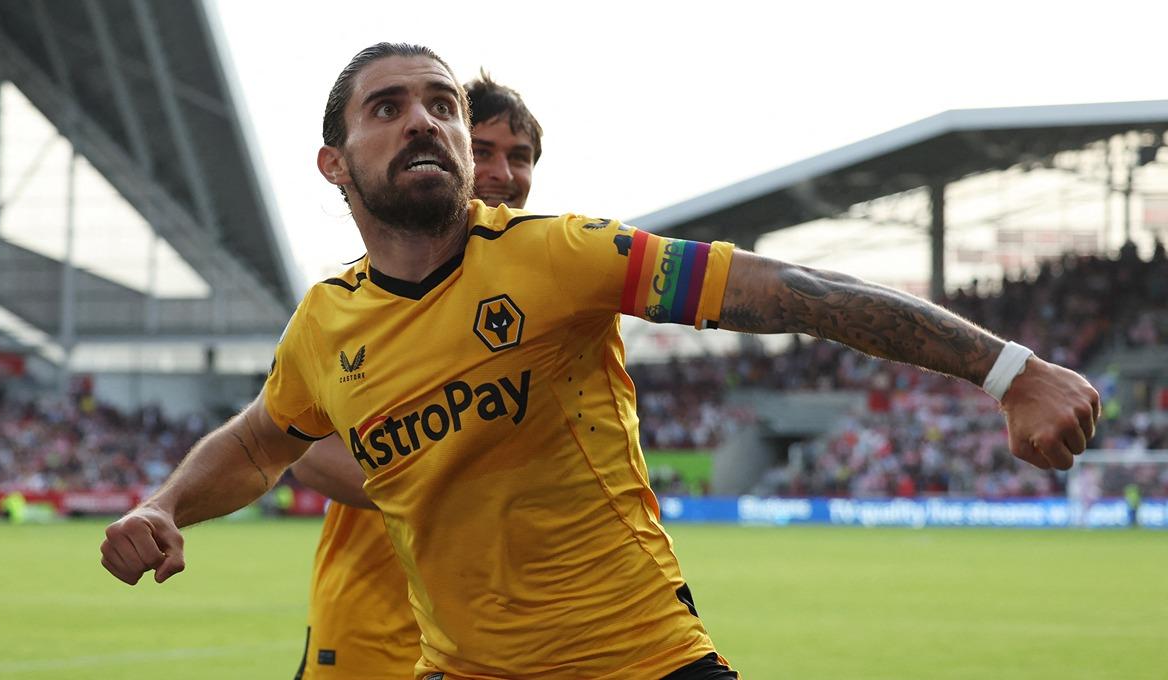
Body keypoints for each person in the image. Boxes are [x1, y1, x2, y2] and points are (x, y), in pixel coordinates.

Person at [100, 42, 1100, 679]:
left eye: (441, 104)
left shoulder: (558, 255)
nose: (424, 120)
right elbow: (260, 437)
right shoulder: (324, 326)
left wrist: (1011, 370)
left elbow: (801, 290)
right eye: (387, 106)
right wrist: (163, 504)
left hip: (640, 662)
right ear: (335, 161)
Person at [288, 72, 543, 680]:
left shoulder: (548, 287)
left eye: (521, 156)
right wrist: (437, 492)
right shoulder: (367, 301)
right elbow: (299, 450)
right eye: (482, 151)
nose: (504, 173)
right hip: (380, 627)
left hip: (505, 638)